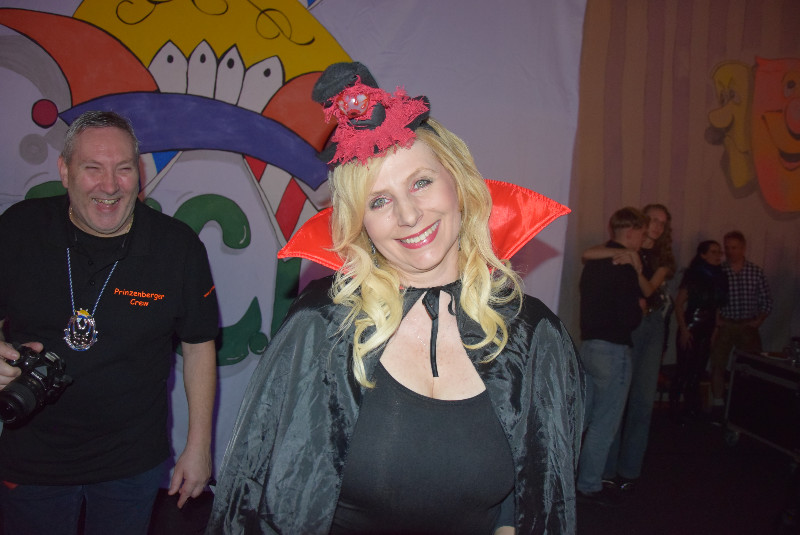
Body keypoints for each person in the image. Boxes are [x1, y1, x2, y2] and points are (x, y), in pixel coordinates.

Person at [206, 62, 584, 534]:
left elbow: (538, 496)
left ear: (459, 183)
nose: (408, 215)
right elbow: (269, 495)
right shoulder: (320, 326)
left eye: (421, 182)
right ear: (359, 222)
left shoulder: (534, 335)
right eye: (379, 200)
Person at [0, 111, 219, 535]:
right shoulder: (19, 228)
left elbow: (198, 345)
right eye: (92, 169)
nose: (110, 186)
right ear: (65, 171)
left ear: (138, 173)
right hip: (32, 456)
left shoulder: (177, 247)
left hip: (131, 461)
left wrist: (198, 447)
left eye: (123, 169)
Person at [583, 204, 675, 491]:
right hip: (620, 334)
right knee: (609, 411)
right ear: (639, 227)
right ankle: (599, 476)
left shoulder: (660, 258)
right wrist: (628, 256)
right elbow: (588, 253)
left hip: (640, 328)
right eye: (652, 221)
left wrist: (634, 264)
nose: (656, 227)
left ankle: (624, 471)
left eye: (662, 223)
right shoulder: (620, 251)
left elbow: (649, 291)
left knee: (635, 403)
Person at [576, 207, 647, 505]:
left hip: (589, 347)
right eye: (642, 233)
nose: (642, 240)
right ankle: (589, 485)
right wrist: (640, 309)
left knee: (584, 421)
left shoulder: (595, 262)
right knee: (604, 424)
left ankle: (567, 479)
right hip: (613, 350)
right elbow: (630, 317)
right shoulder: (625, 265)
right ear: (630, 232)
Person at [708, 230, 772, 411]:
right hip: (726, 323)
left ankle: (745, 403)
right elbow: (713, 298)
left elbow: (767, 300)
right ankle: (718, 403)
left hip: (747, 325)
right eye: (727, 248)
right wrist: (716, 319)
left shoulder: (755, 272)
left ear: (743, 248)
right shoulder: (720, 271)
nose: (730, 252)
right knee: (718, 364)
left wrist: (759, 320)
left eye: (734, 248)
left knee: (750, 366)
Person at [670, 240, 728, 421]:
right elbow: (679, 305)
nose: (718, 256)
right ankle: (674, 408)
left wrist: (715, 330)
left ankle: (692, 407)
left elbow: (717, 307)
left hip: (708, 327)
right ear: (703, 255)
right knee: (684, 369)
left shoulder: (719, 276)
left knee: (698, 370)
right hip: (692, 325)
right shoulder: (693, 275)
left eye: (719, 252)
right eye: (713, 252)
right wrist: (684, 329)